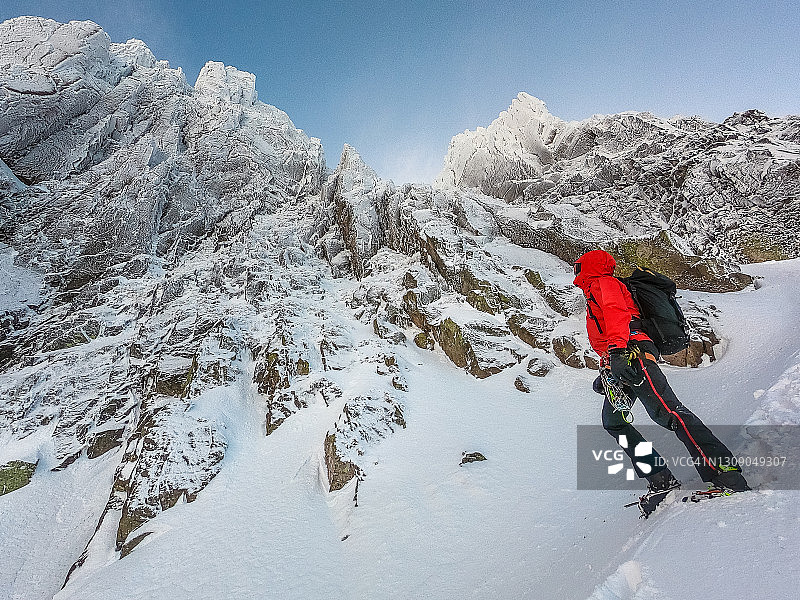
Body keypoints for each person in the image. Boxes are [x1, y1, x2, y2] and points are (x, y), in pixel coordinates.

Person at [572, 249, 748, 513]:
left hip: (634, 354)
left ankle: (726, 475)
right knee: (614, 422)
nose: (575, 272)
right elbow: (608, 331)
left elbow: (617, 314)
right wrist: (607, 367)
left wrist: (619, 353)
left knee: (669, 413)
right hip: (621, 359)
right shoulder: (594, 289)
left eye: (577, 266)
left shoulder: (604, 282)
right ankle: (660, 480)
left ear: (587, 266)